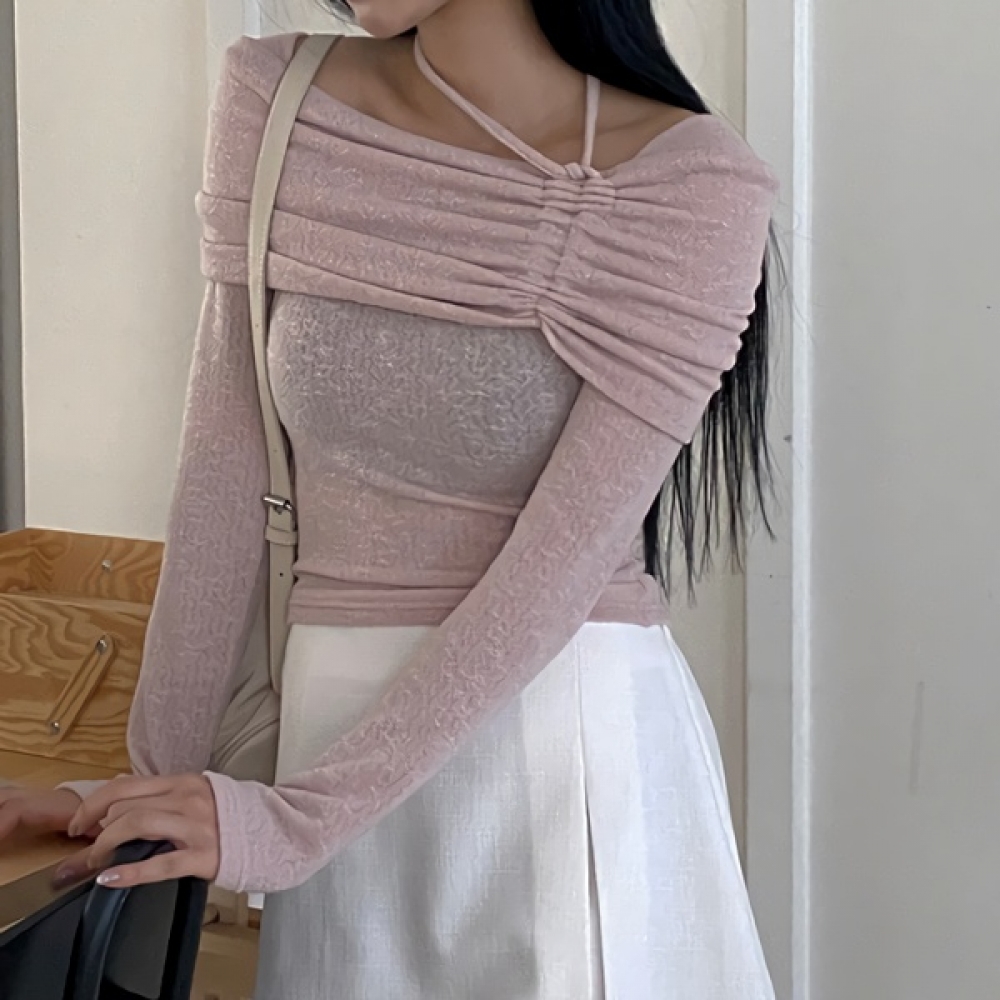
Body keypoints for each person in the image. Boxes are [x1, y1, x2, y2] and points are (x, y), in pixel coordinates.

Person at [0, 0, 781, 994]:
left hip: (555, 757)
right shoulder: (275, 100)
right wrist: (145, 787)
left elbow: (564, 563)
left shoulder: (692, 183)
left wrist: (298, 823)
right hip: (328, 757)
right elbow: (222, 472)